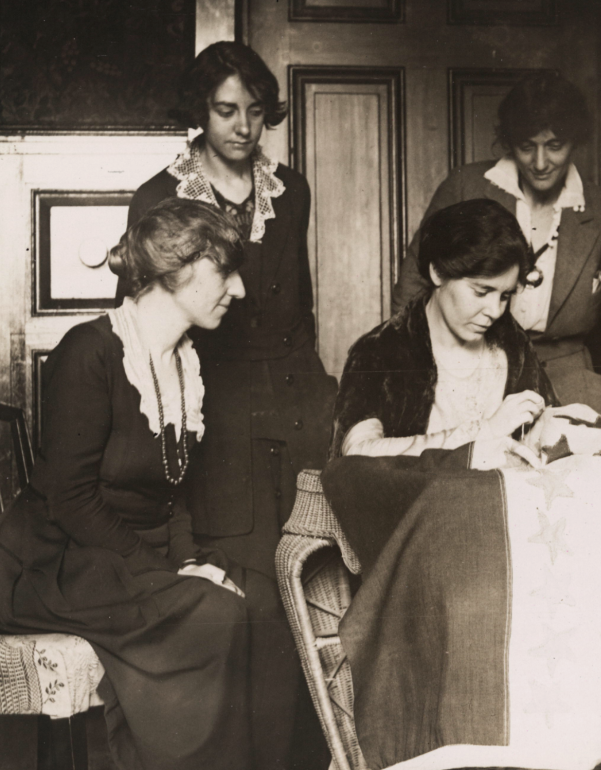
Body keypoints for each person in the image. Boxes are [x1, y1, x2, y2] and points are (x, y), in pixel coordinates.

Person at [0, 199, 294, 770]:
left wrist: (188, 559)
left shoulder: (185, 362)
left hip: (131, 553)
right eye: (223, 271)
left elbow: (172, 492)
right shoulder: (92, 352)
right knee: (217, 613)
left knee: (260, 599)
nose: (237, 288)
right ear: (174, 268)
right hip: (56, 562)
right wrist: (168, 572)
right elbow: (69, 499)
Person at [119, 40, 336, 768]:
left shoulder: (292, 191)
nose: (244, 126)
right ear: (199, 113)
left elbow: (300, 311)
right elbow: (145, 327)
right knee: (251, 601)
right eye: (225, 111)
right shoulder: (160, 195)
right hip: (212, 419)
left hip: (296, 409)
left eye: (254, 111)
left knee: (312, 587)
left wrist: (321, 401)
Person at [390, 72, 601, 412]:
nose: (540, 163)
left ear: (575, 142)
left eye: (555, 146)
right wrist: (419, 367)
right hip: (470, 369)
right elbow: (415, 281)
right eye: (527, 147)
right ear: (510, 142)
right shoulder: (465, 186)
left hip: (571, 382)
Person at [332, 198, 556, 458]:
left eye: (505, 296)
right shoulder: (380, 349)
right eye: (481, 292)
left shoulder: (511, 340)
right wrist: (484, 432)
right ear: (438, 272)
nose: (495, 311)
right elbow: (356, 457)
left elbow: (549, 423)